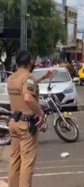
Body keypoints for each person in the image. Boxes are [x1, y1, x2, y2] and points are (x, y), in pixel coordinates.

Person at [7, 50, 56, 187]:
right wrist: (40, 113)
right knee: (27, 162)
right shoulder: (28, 78)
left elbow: (27, 84)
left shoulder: (12, 78)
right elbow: (27, 97)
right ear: (30, 62)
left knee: (15, 161)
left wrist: (43, 77)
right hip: (26, 125)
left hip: (14, 122)